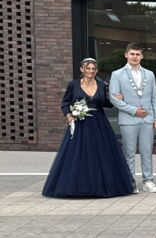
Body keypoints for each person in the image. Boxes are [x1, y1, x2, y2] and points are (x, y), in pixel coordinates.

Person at [43, 58, 136, 198]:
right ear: (82, 69)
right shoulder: (73, 85)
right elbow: (65, 103)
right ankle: (77, 187)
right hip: (80, 125)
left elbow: (106, 103)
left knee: (101, 155)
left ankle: (102, 186)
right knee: (77, 155)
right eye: (88, 68)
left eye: (93, 69)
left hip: (99, 125)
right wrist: (69, 115)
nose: (91, 71)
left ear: (96, 71)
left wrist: (117, 98)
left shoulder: (101, 85)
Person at [108, 42, 156, 193]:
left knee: (147, 151)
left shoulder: (149, 74)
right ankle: (130, 181)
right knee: (129, 152)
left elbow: (155, 97)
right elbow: (114, 98)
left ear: (142, 56)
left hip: (147, 118)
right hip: (128, 119)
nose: (135, 57)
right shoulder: (117, 74)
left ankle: (148, 181)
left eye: (138, 54)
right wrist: (133, 111)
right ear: (126, 54)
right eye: (132, 54)